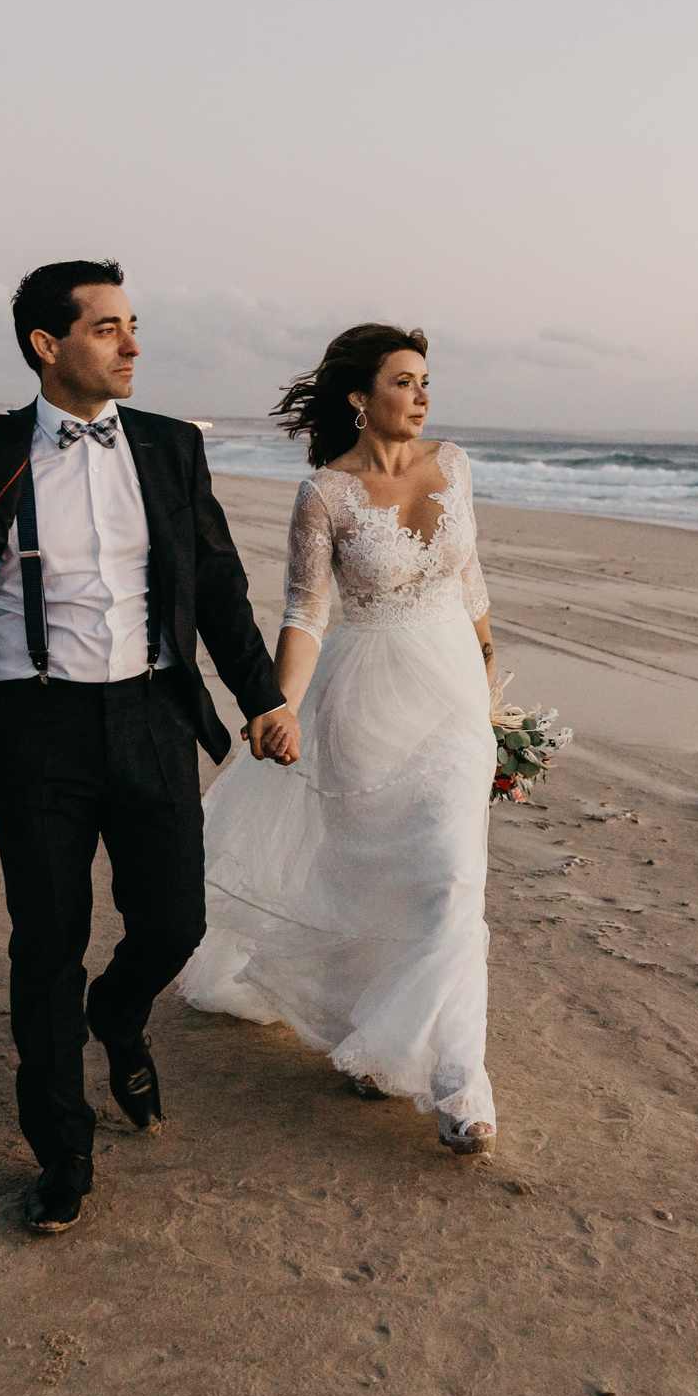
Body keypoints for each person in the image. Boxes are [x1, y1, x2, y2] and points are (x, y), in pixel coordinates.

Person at [0, 259, 301, 1236]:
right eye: (107, 328)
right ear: (49, 346)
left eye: (134, 326)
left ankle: (121, 1015)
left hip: (150, 721)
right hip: (33, 730)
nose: (132, 345)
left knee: (174, 921)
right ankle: (62, 1151)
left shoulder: (173, 450)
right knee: (46, 944)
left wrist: (262, 697)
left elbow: (215, 584)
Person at [175, 324, 501, 1155]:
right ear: (361, 396)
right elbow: (306, 612)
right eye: (404, 380)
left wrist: (496, 698)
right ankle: (374, 1034)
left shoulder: (454, 464)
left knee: (455, 876)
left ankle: (463, 1085)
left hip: (457, 700)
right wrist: (278, 705)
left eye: (427, 379)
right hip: (367, 703)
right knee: (377, 878)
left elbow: (471, 585)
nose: (423, 395)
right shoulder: (326, 494)